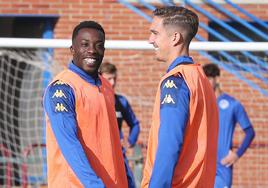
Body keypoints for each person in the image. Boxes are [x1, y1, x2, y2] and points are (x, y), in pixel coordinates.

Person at [43, 21, 128, 187]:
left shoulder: (106, 86)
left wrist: (128, 179)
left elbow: (113, 141)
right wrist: (95, 184)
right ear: (72, 50)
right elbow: (69, 143)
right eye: (85, 44)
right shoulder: (62, 87)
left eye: (99, 45)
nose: (92, 50)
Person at [141, 6, 219, 188]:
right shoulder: (201, 78)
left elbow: (169, 145)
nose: (150, 40)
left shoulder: (176, 81)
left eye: (155, 33)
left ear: (175, 37)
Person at [203, 63, 255, 188]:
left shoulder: (232, 104)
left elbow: (250, 132)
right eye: (204, 79)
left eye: (209, 78)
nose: (206, 82)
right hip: (202, 165)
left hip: (222, 166)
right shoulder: (199, 104)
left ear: (217, 79)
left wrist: (237, 154)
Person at [99, 62, 140, 188]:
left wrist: (130, 141)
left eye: (114, 78)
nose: (112, 82)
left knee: (129, 183)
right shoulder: (95, 100)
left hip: (119, 154)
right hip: (99, 155)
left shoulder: (121, 102)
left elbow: (135, 124)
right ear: (100, 78)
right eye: (109, 78)